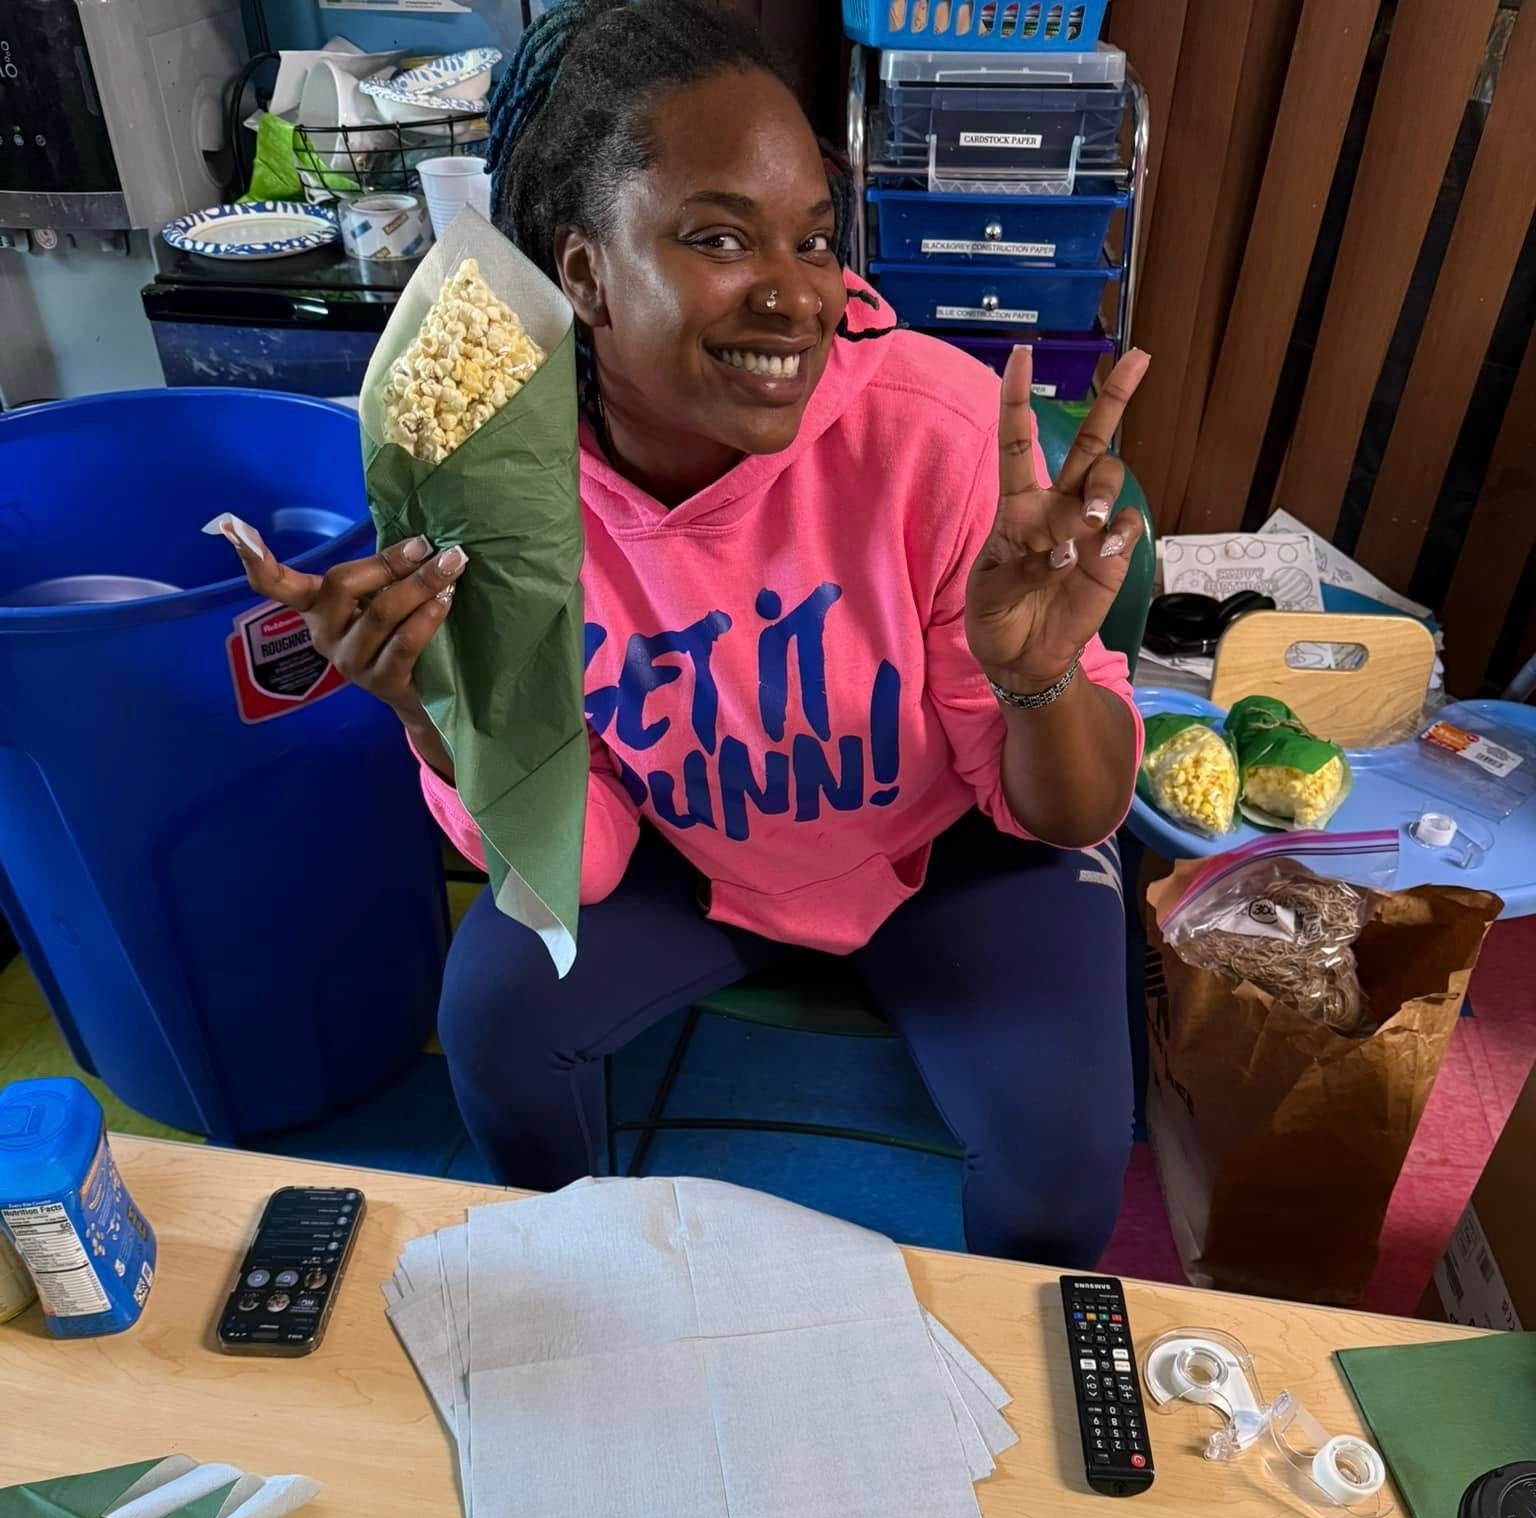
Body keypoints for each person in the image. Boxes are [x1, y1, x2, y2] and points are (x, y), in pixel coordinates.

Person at [224, 0, 1152, 1266]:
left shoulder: (935, 436)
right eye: (719, 237)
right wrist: (437, 714)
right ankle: (572, 1282)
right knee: (496, 1022)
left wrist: (1040, 682)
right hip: (689, 845)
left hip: (951, 847)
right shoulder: (494, 485)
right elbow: (582, 857)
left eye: (814, 241)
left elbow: (1067, 813)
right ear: (583, 274)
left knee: (1064, 1157)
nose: (794, 298)